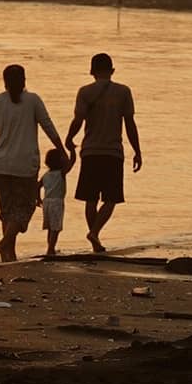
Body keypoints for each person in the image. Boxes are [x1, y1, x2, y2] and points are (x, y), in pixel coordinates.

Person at [0, 64, 66, 262]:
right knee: (25, 207)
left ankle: (9, 255)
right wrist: (62, 150)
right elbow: (47, 125)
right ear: (24, 80)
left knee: (7, 211)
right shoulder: (33, 100)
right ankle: (6, 245)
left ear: (4, 82)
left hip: (1, 164)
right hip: (25, 165)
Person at [65, 52, 142, 253]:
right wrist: (137, 151)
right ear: (112, 70)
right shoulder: (123, 92)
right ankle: (95, 234)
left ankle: (94, 235)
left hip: (90, 152)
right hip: (113, 153)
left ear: (92, 71)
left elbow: (78, 120)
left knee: (90, 199)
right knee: (111, 198)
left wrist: (69, 138)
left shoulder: (85, 92)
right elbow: (130, 124)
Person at [37, 146, 75, 257]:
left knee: (50, 227)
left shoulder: (46, 175)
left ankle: (50, 247)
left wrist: (38, 199)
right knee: (56, 228)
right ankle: (50, 249)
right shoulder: (61, 173)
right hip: (57, 202)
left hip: (47, 202)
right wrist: (72, 150)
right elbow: (72, 162)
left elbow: (37, 186)